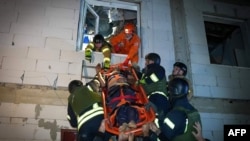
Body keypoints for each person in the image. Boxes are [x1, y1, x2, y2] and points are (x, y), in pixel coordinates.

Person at [136, 53, 170, 119]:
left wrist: (143, 81)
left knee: (158, 118)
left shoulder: (159, 69)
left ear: (153, 61)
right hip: (151, 98)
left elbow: (155, 77)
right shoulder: (148, 71)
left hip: (159, 98)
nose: (145, 63)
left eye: (147, 61)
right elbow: (143, 78)